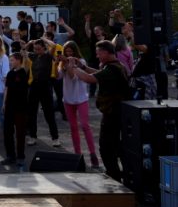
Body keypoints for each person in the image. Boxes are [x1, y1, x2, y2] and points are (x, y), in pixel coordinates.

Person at [67, 40, 127, 181]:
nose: (97, 56)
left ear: (106, 52)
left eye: (98, 53)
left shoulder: (112, 69)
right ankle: (119, 174)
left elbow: (89, 79)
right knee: (116, 146)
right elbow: (99, 74)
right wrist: (82, 66)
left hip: (112, 114)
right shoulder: (117, 66)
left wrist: (72, 66)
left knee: (106, 148)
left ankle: (114, 177)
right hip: (118, 113)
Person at [58, 41, 99, 169]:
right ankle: (77, 155)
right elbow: (58, 76)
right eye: (67, 52)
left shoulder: (81, 62)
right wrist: (57, 63)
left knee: (85, 125)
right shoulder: (62, 62)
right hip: (68, 99)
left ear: (75, 51)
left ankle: (93, 154)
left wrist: (69, 64)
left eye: (71, 51)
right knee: (73, 127)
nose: (69, 54)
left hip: (81, 98)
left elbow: (73, 77)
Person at [24, 39, 61, 147]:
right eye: (35, 49)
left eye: (39, 49)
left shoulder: (48, 56)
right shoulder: (33, 56)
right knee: (31, 113)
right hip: (34, 86)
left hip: (45, 86)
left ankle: (55, 138)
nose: (36, 51)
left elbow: (53, 45)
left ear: (44, 48)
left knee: (49, 114)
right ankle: (33, 136)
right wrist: (30, 43)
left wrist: (44, 39)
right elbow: (23, 51)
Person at [1, 51, 30, 169]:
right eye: (10, 60)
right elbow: (7, 89)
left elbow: (27, 64)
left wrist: (25, 53)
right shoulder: (10, 73)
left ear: (18, 60)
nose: (10, 62)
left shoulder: (24, 72)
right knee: (7, 132)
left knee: (20, 133)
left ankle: (20, 157)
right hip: (9, 107)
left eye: (12, 60)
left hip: (21, 108)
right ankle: (10, 156)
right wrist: (4, 103)